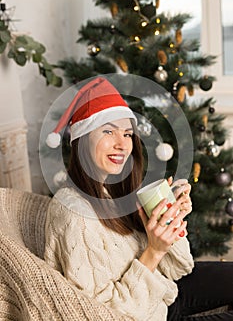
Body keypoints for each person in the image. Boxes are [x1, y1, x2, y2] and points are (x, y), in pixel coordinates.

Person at [44, 76, 233, 321]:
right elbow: (102, 315)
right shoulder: (74, 214)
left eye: (127, 133)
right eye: (108, 131)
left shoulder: (115, 191)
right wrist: (153, 252)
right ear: (82, 139)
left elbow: (179, 269)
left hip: (165, 294)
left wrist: (170, 223)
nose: (122, 144)